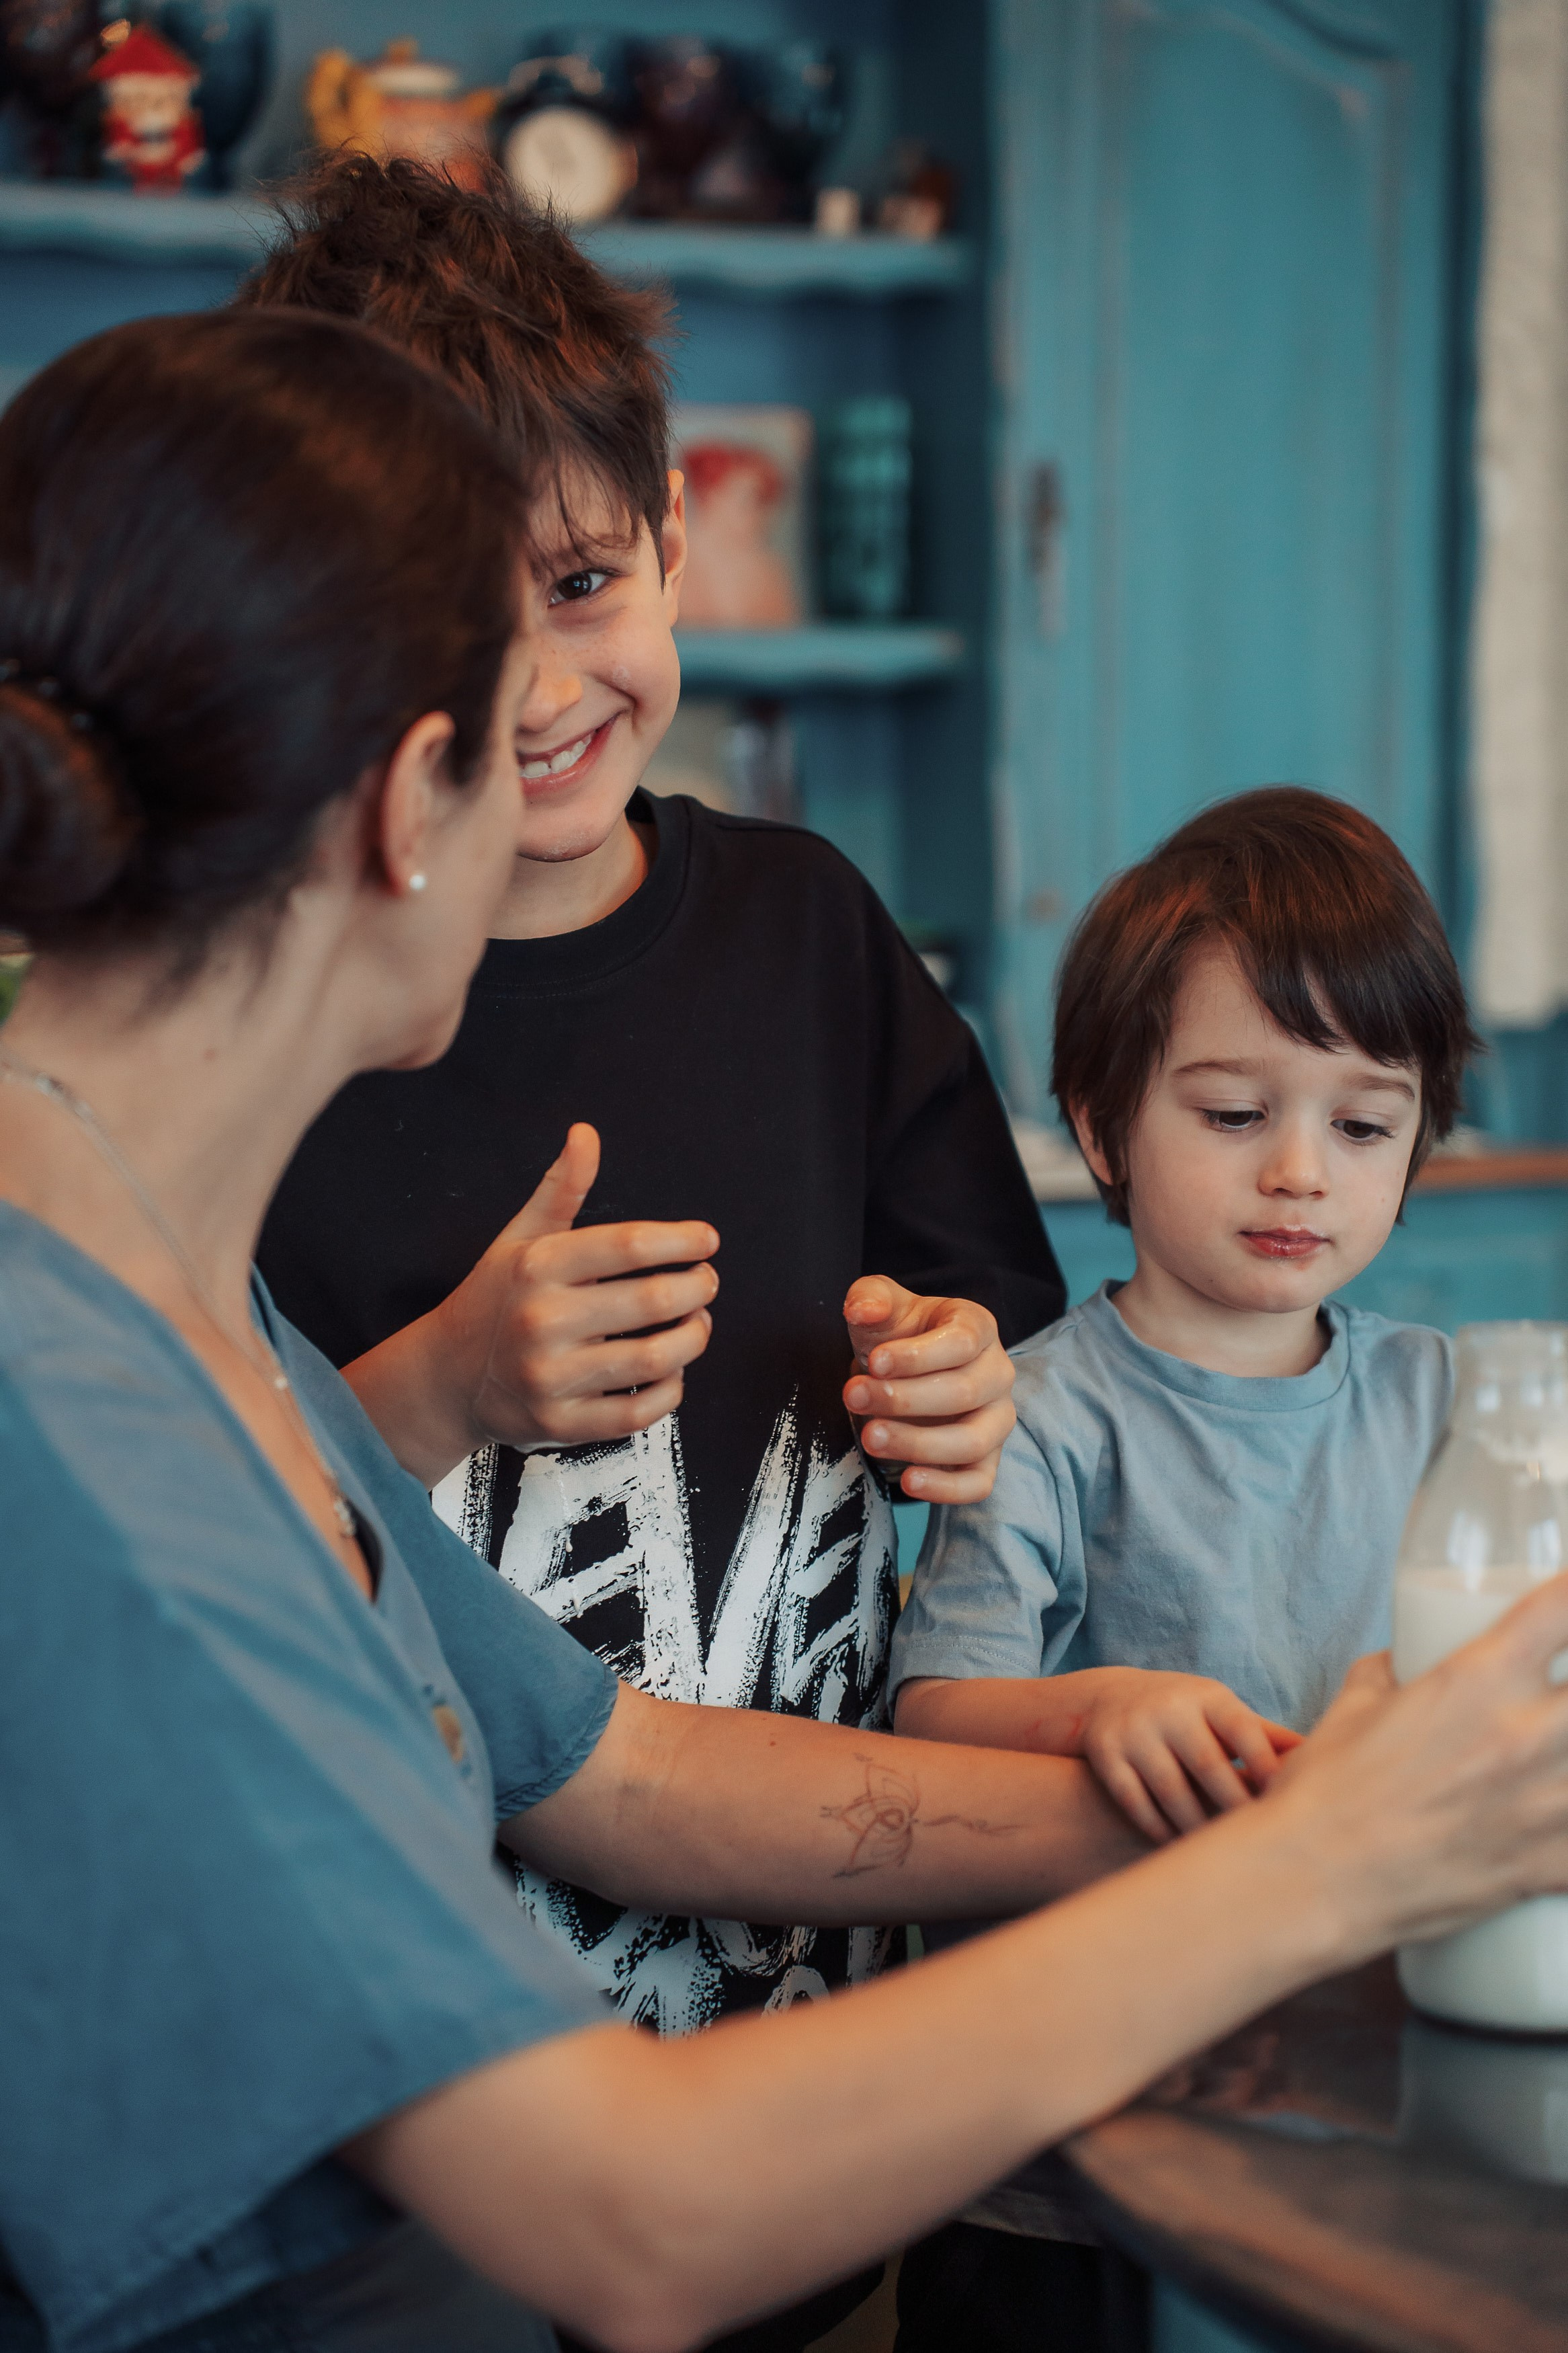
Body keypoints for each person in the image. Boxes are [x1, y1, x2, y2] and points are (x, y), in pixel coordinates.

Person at [5, 306, 1568, 2353]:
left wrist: (1313, 1795)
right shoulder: (77, 1438)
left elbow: (621, 1768)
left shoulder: (169, 1292)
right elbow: (629, 2217)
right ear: (410, 803)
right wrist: (1324, 1872)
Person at [247, 159, 1061, 2077]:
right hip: (444, 2057)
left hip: (828, 1995)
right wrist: (439, 1384)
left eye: (583, 583)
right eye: (449, 623)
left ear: (677, 540)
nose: (538, 685)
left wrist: (958, 1382)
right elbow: (212, 1538)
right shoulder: (287, 1020)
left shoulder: (808, 933)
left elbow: (998, 1349)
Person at [886, 789, 1481, 2350]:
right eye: (1235, 1114)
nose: (1301, 1173)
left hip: (1346, 2119)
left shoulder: (1442, 1400)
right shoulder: (1047, 1408)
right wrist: (1097, 1709)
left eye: (1362, 1124)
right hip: (1067, 2145)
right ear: (1102, 1129)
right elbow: (932, 1712)